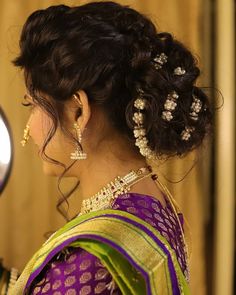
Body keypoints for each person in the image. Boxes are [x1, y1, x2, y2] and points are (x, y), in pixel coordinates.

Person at [0, 1, 212, 294]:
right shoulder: (153, 200)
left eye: (33, 105)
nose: (28, 131)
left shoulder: (89, 261)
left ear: (78, 111)